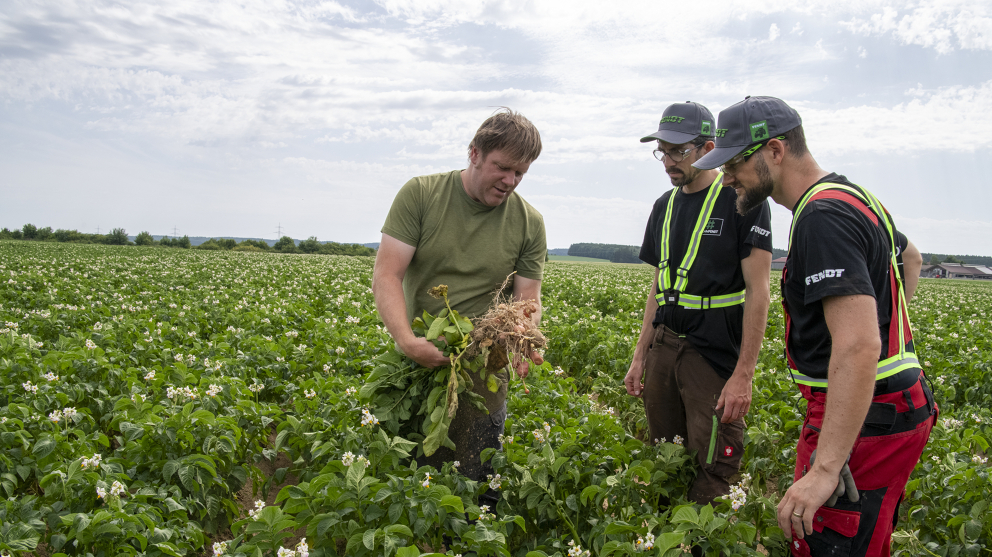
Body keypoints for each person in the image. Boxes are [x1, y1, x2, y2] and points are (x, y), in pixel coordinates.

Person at [693, 96, 930, 557]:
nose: (727, 177)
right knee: (867, 538)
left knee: (826, 539)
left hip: (864, 412)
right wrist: (879, 331)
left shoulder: (820, 217)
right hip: (895, 404)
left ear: (775, 151)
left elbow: (859, 346)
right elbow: (911, 258)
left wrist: (826, 467)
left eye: (735, 163)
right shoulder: (853, 197)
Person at [372, 108, 547, 488]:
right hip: (421, 354)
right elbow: (387, 274)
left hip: (485, 369)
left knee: (477, 475)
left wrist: (523, 330)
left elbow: (528, 298)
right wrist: (407, 342)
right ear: (474, 153)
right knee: (411, 473)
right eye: (502, 167)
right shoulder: (422, 194)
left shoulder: (529, 222)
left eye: (520, 173)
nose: (510, 180)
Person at [624, 101, 773, 505]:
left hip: (712, 353)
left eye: (678, 151)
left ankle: (703, 541)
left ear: (708, 147)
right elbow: (660, 286)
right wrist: (641, 355)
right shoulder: (664, 206)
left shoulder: (741, 200)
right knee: (665, 454)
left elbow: (760, 290)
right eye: (663, 151)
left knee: (713, 463)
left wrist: (745, 373)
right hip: (664, 346)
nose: (668, 161)